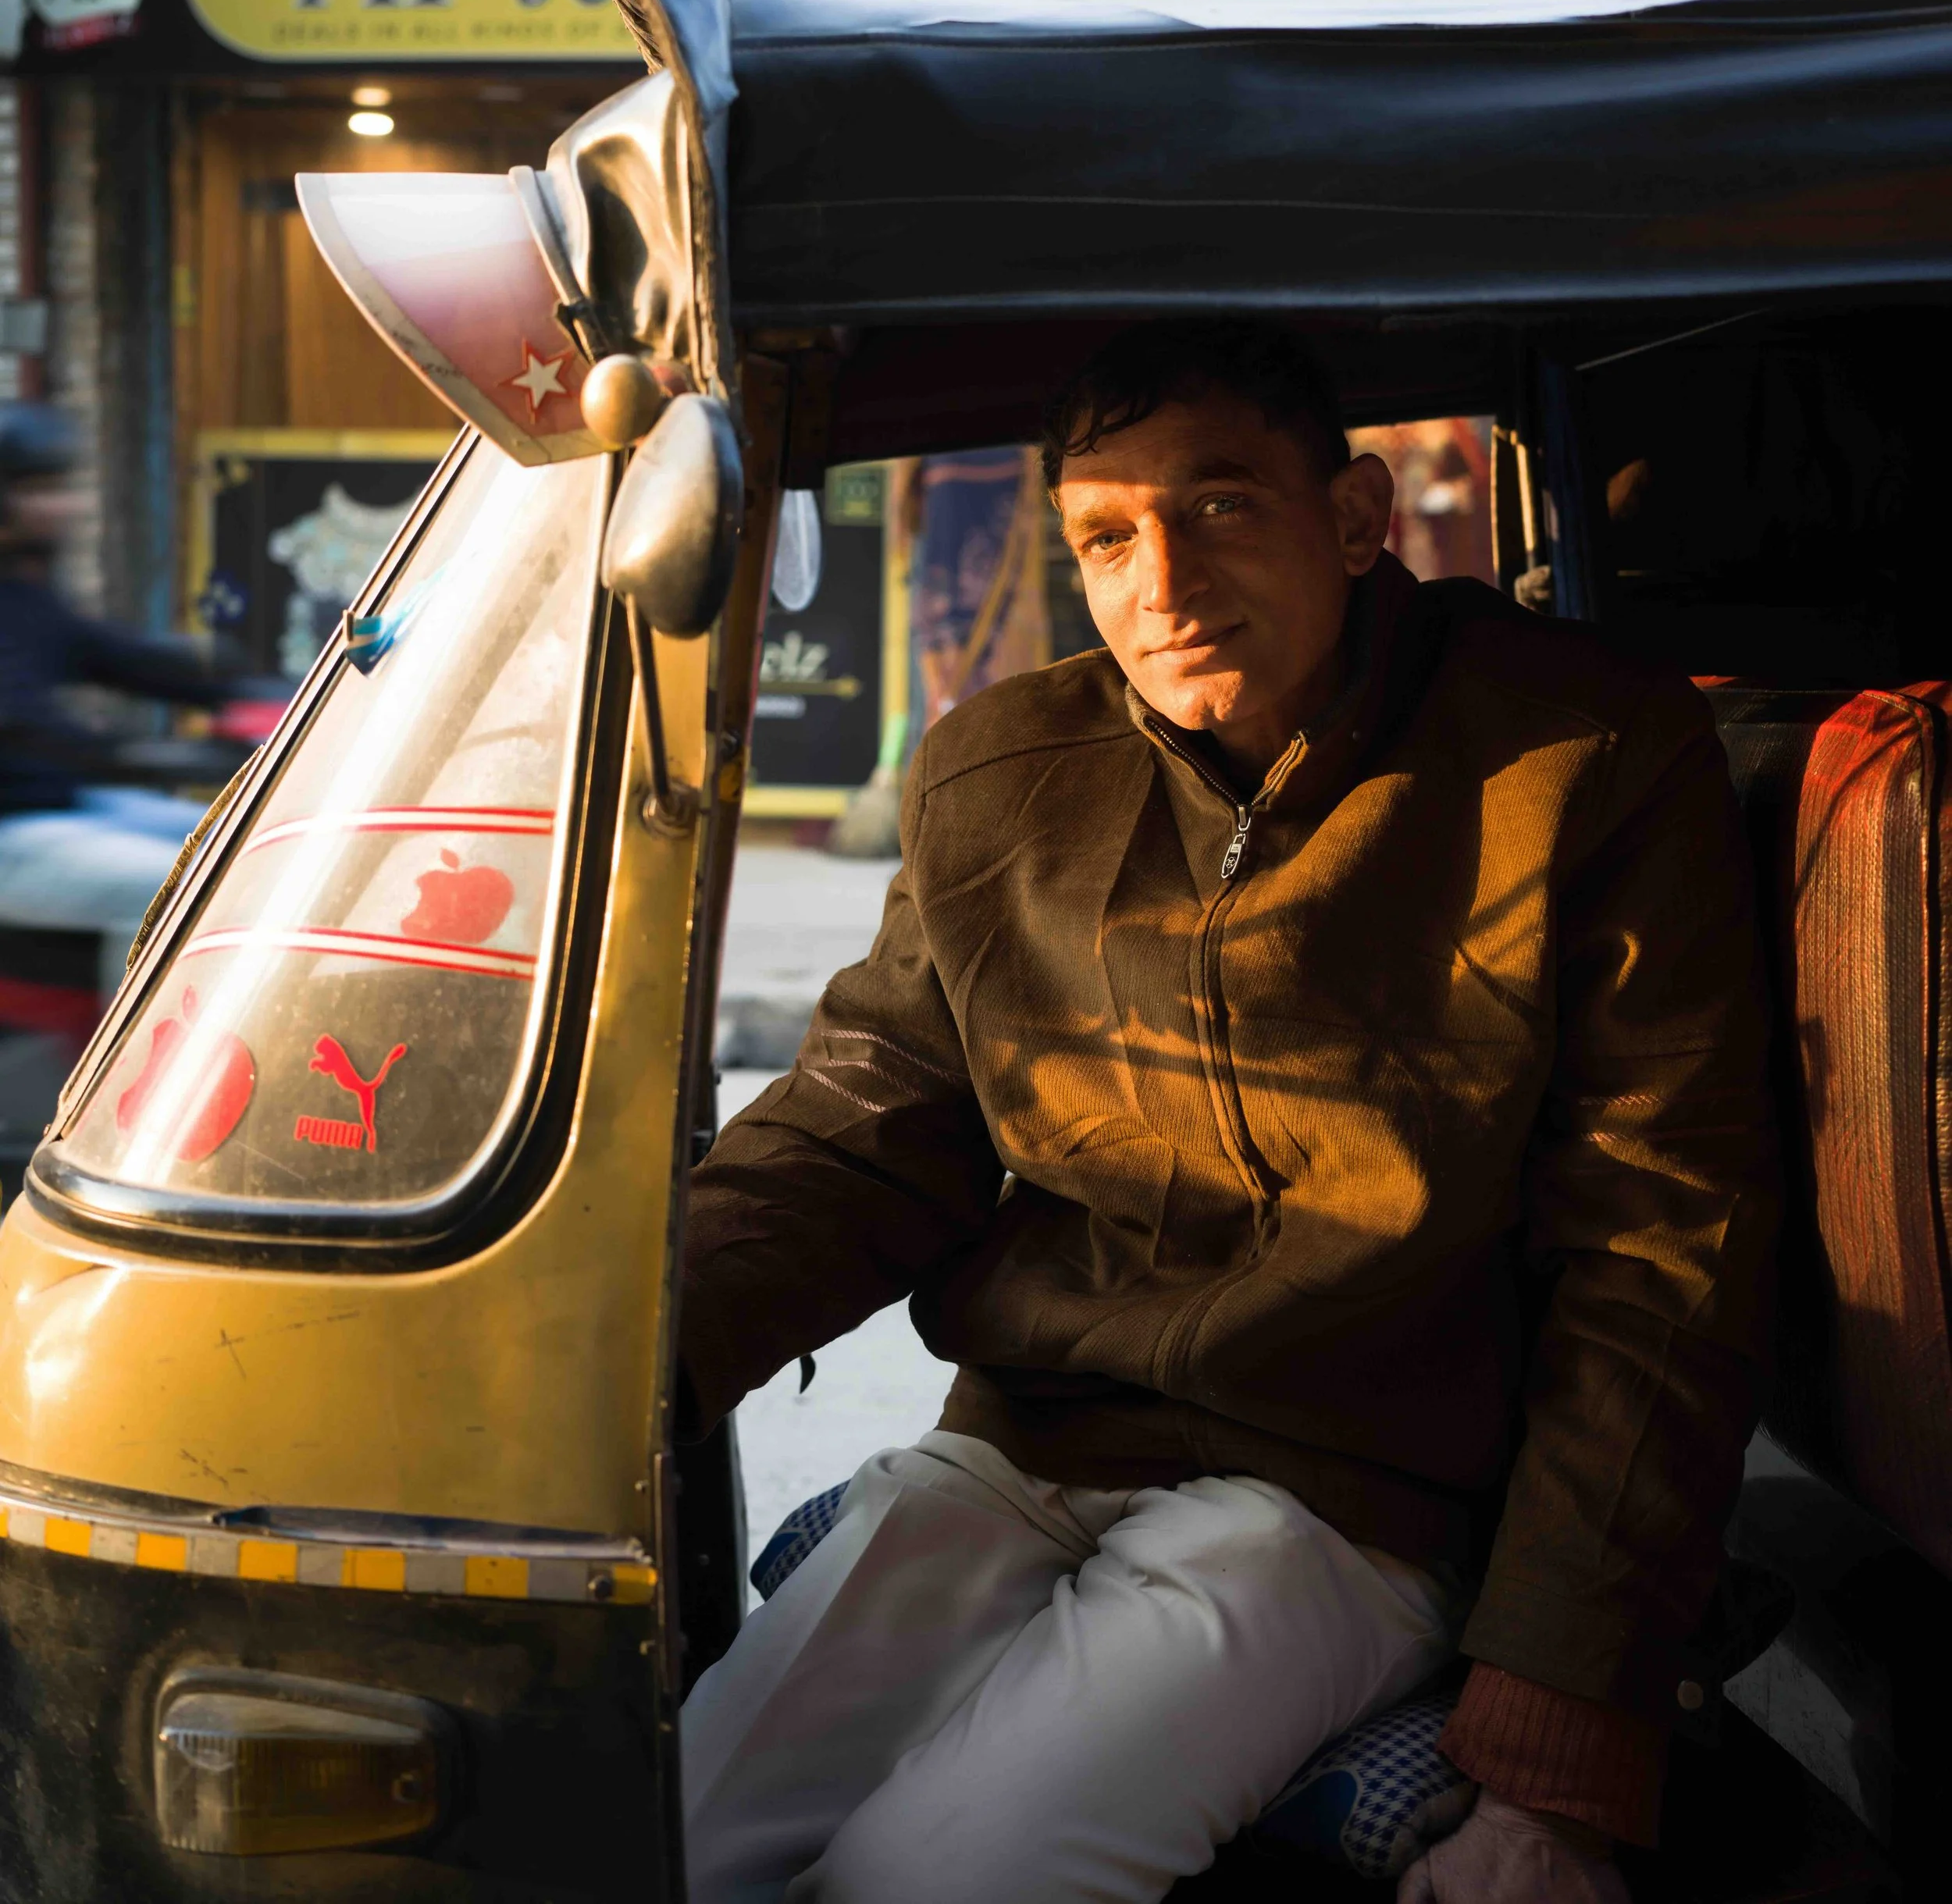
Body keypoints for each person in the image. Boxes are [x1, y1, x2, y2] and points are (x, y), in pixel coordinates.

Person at [679, 322, 1778, 1904]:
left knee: (931, 1877)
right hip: (1021, 1446)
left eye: (1218, 508)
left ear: (1356, 515)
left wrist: (1557, 1751)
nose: (1165, 585)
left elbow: (1662, 1244)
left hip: (1349, 1500)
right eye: (1106, 537)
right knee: (670, 1832)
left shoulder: (1578, 755)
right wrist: (613, 1374)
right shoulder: (1000, 773)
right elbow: (863, 1126)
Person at [0, 404, 233, 992]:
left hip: (64, 807)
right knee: (172, 890)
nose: (69, 506)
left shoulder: (25, 593)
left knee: (238, 840)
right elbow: (21, 719)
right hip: (14, 832)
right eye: (41, 490)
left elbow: (111, 654)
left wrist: (233, 682)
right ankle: (129, 1052)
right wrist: (133, 753)